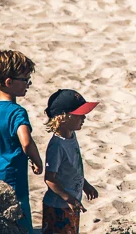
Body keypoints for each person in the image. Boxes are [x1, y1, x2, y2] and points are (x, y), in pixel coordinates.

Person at [0, 49, 43, 233]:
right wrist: (36, 160)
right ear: (9, 82)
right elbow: (26, 142)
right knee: (20, 216)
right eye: (25, 80)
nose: (28, 84)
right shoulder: (17, 112)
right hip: (14, 176)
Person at [41, 89, 99, 234]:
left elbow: (72, 168)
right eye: (79, 114)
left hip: (72, 203)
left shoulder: (71, 136)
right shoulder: (57, 145)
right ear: (63, 117)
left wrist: (85, 184)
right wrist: (69, 198)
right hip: (58, 207)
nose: (84, 117)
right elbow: (49, 179)